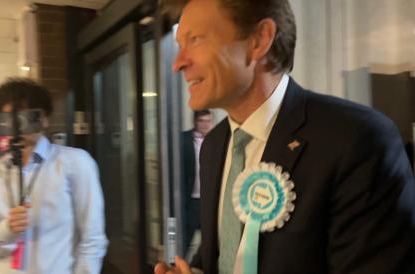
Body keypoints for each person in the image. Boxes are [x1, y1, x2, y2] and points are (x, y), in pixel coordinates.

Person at [155, 0, 415, 274]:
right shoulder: (214, 146)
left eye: (194, 40)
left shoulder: (357, 141)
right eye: (180, 44)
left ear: (259, 40)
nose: (178, 63)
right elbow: (224, 254)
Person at [0, 78, 108, 274]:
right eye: (8, 120)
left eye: (25, 118)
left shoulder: (75, 163)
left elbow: (92, 239)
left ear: (44, 119)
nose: (17, 128)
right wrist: (6, 230)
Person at [181, 110, 212, 257]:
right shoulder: (183, 139)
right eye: (202, 121)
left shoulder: (215, 140)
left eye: (208, 121)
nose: (206, 124)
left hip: (208, 201)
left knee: (210, 242)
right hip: (190, 200)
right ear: (195, 122)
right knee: (184, 241)